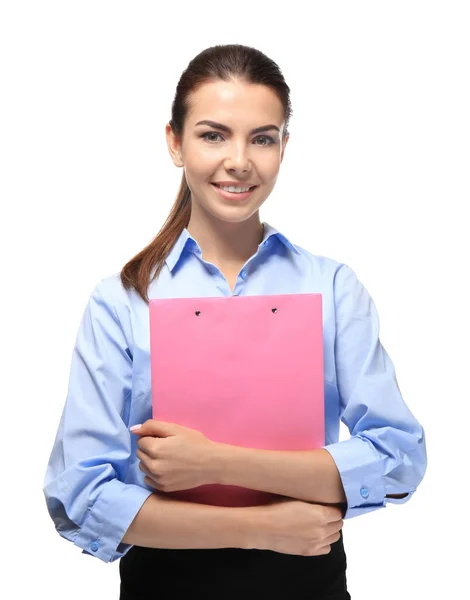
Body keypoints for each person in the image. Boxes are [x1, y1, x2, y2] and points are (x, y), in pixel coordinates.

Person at [43, 44, 427, 599]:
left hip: (307, 584)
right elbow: (81, 495)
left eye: (263, 138)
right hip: (167, 587)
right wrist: (263, 527)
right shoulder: (123, 301)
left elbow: (399, 458)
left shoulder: (332, 287)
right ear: (175, 142)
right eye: (213, 134)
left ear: (284, 147)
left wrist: (215, 462)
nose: (240, 160)